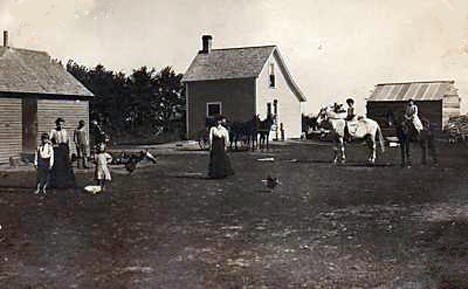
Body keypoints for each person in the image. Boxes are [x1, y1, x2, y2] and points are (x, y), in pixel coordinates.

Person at [49, 118, 76, 189]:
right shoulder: (53, 131)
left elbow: (68, 141)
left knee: (67, 165)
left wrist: (71, 151)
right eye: (59, 124)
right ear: (56, 124)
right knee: (58, 165)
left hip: (65, 148)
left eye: (62, 124)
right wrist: (53, 145)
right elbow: (49, 140)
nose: (60, 126)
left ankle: (68, 183)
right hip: (58, 149)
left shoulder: (65, 131)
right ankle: (57, 183)